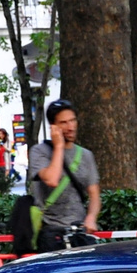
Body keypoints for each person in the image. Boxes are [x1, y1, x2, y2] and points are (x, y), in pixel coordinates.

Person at [28, 99, 101, 252]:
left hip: (79, 231)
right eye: (64, 123)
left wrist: (91, 217)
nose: (70, 127)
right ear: (53, 127)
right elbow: (52, 179)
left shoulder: (85, 155)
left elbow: (94, 195)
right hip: (50, 232)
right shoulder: (39, 152)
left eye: (73, 121)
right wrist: (59, 146)